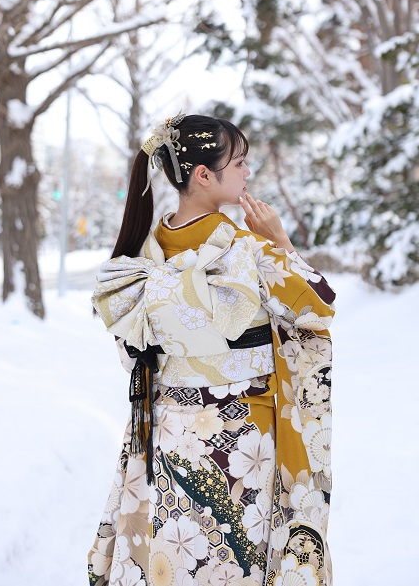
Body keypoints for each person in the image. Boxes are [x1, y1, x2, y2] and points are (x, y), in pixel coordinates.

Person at [88, 112, 336, 586]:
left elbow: (133, 348)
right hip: (242, 436)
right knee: (237, 556)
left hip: (168, 429)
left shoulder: (143, 256)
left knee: (179, 552)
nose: (247, 172)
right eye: (239, 162)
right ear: (203, 174)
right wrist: (280, 240)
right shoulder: (248, 250)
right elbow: (317, 306)